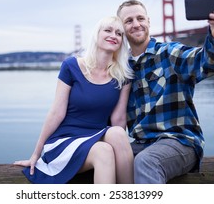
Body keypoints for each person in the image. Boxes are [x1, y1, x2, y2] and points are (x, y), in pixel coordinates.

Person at [116, 0, 214, 183]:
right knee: (107, 157)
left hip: (180, 141)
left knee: (147, 162)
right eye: (129, 21)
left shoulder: (170, 53)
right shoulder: (122, 69)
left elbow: (208, 62)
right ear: (121, 29)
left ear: (148, 21)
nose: (136, 24)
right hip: (141, 144)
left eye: (140, 18)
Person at [14, 16, 134, 184]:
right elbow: (56, 112)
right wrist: (36, 154)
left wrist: (120, 149)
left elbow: (118, 119)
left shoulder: (123, 75)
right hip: (65, 140)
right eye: (108, 30)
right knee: (104, 152)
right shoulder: (71, 66)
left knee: (118, 133)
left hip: (95, 137)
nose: (114, 35)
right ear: (96, 35)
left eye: (119, 33)